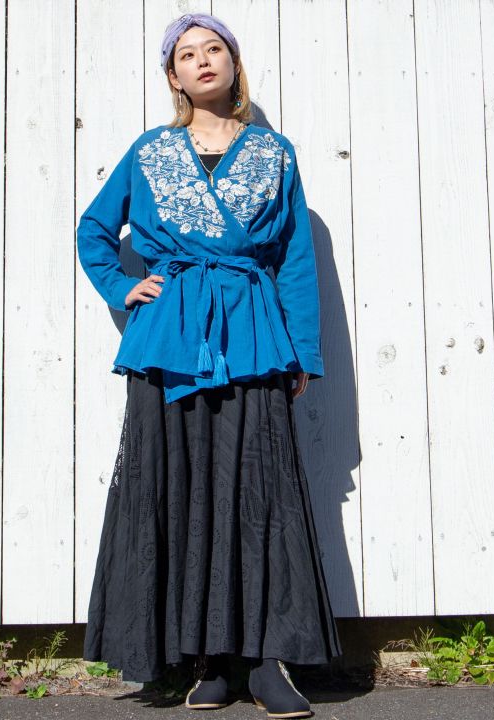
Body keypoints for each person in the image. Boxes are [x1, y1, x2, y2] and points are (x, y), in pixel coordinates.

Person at [77, 12, 342, 718]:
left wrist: (302, 351)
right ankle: (206, 661)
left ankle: (266, 661)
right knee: (181, 489)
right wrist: (122, 287)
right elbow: (94, 229)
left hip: (252, 333)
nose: (202, 61)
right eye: (187, 54)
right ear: (173, 76)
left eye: (214, 49)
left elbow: (293, 258)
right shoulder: (150, 152)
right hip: (169, 340)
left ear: (233, 63)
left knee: (259, 492)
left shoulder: (275, 153)